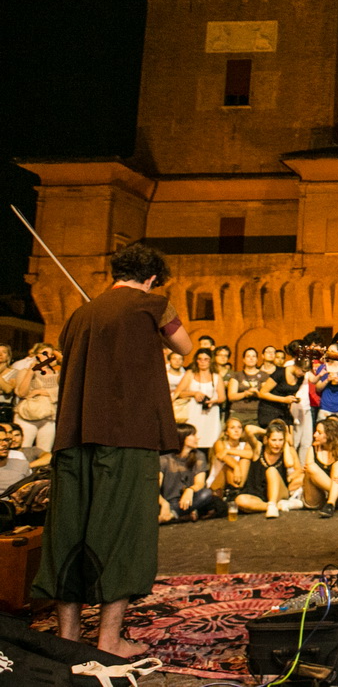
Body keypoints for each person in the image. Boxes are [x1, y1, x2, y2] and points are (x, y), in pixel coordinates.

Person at [31, 243, 192, 657]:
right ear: (153, 277)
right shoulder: (154, 305)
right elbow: (185, 347)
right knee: (123, 532)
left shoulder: (80, 314)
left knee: (69, 531)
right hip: (127, 436)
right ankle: (107, 639)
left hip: (73, 434)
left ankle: (67, 638)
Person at [235, 419, 303, 516]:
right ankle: (273, 506)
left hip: (279, 492)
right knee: (240, 500)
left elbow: (289, 463)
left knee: (271, 470)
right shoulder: (258, 449)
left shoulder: (286, 451)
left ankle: (272, 504)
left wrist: (285, 443)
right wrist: (269, 432)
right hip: (257, 495)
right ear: (267, 439)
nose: (277, 444)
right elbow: (248, 429)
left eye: (280, 440)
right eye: (274, 440)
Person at [158, 423, 220, 523]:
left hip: (189, 499)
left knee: (206, 494)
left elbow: (200, 483)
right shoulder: (164, 459)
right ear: (182, 437)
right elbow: (154, 488)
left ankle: (172, 515)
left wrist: (190, 490)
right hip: (167, 500)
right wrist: (164, 503)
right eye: (193, 435)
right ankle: (181, 514)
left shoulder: (198, 456)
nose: (197, 438)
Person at [172, 347, 224, 451]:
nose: (203, 362)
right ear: (196, 360)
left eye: (206, 359)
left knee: (211, 441)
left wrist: (214, 401)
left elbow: (223, 397)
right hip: (193, 413)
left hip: (210, 413)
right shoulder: (190, 374)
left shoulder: (216, 376)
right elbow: (178, 393)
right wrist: (194, 393)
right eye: (200, 359)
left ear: (211, 360)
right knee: (192, 439)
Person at [303, 417, 338, 516]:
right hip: (316, 498)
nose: (315, 435)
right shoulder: (313, 449)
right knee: (310, 467)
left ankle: (330, 503)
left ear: (329, 435)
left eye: (319, 432)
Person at [209, 416, 256, 494]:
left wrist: (228, 451)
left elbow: (251, 455)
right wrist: (236, 467)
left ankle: (235, 491)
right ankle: (234, 492)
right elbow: (223, 456)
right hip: (218, 483)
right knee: (227, 465)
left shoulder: (245, 445)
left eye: (239, 428)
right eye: (232, 428)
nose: (236, 430)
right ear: (226, 432)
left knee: (245, 460)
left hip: (238, 481)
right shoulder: (220, 443)